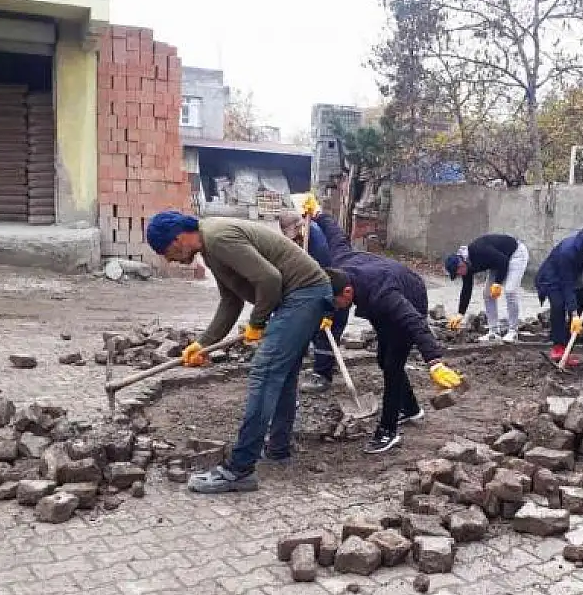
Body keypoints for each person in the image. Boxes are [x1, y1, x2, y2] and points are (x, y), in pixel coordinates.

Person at [145, 210, 333, 493]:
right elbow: (230, 300)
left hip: (304, 294)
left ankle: (239, 470)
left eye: (167, 251)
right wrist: (203, 343)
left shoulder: (218, 238)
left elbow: (269, 280)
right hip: (303, 296)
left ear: (178, 238)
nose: (170, 259)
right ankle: (278, 450)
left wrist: (257, 323)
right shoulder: (211, 249)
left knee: (264, 372)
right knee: (280, 376)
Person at [325, 262, 464, 454]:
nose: (334, 306)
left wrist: (434, 362)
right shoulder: (343, 267)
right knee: (383, 359)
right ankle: (411, 409)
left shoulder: (383, 296)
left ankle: (387, 432)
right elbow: (336, 238)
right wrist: (326, 314)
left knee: (392, 366)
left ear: (347, 292)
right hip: (387, 301)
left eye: (334, 302)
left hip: (411, 300)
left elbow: (414, 321)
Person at [298, 197, 357, 393]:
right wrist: (318, 214)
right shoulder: (312, 236)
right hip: (330, 289)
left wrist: (329, 313)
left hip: (339, 293)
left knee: (327, 334)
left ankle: (323, 376)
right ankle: (324, 367)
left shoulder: (324, 247)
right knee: (321, 333)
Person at [534, 229, 583, 367]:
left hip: (582, 281)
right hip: (556, 279)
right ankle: (558, 346)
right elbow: (567, 284)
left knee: (580, 314)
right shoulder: (567, 252)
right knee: (558, 306)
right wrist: (573, 313)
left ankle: (568, 349)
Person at [443, 234, 530, 343]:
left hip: (515, 254)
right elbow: (467, 288)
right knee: (487, 294)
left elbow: (503, 261)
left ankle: (513, 332)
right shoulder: (466, 265)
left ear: (461, 264)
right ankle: (494, 332)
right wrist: (460, 314)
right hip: (497, 262)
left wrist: (498, 283)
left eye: (457, 273)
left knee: (510, 291)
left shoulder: (479, 250)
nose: (459, 275)